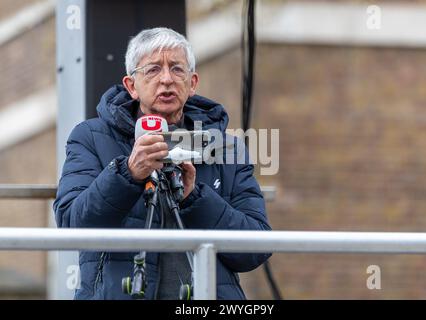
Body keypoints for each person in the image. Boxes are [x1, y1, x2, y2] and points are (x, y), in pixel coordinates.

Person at [53, 27, 271, 300]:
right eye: (153, 70)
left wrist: (196, 199)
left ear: (192, 83)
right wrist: (127, 174)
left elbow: (256, 248)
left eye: (177, 69)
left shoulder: (226, 147)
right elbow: (72, 225)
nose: (166, 79)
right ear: (131, 85)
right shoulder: (90, 137)